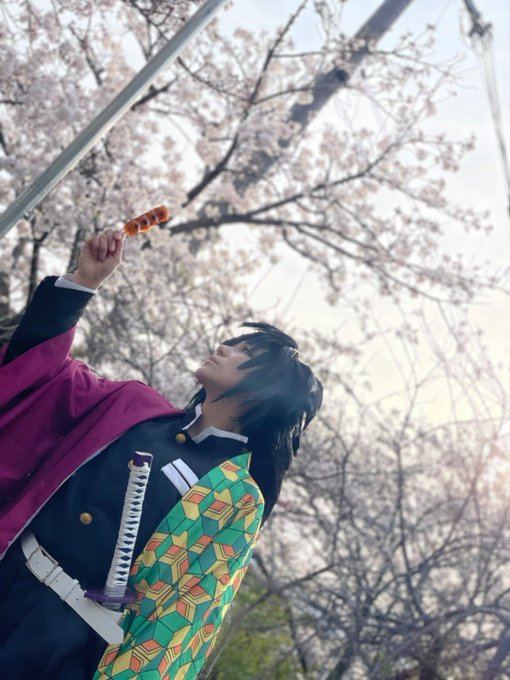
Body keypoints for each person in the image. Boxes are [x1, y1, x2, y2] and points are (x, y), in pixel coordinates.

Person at [0, 228, 323, 679]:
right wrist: (83, 282)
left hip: (61, 647)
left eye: (243, 352)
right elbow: (40, 373)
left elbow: (185, 615)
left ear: (267, 390)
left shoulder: (235, 495)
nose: (223, 347)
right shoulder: (136, 407)